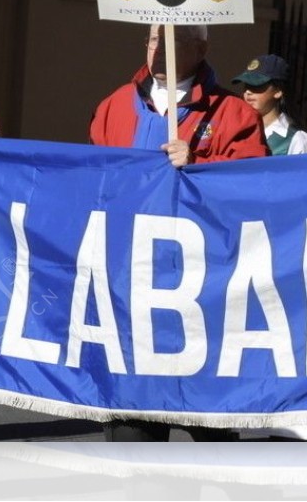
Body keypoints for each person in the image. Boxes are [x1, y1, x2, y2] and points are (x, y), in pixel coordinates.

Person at [90, 23, 267, 440]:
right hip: (130, 286)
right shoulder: (116, 105)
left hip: (202, 292)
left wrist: (200, 165)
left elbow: (253, 188)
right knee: (132, 435)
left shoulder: (234, 114)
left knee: (211, 439)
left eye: (172, 39)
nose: (158, 48)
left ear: (201, 47)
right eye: (154, 38)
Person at [231, 53, 307, 155]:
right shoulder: (236, 132)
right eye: (246, 85)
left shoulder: (298, 140)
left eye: (257, 85)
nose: (248, 92)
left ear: (278, 91)